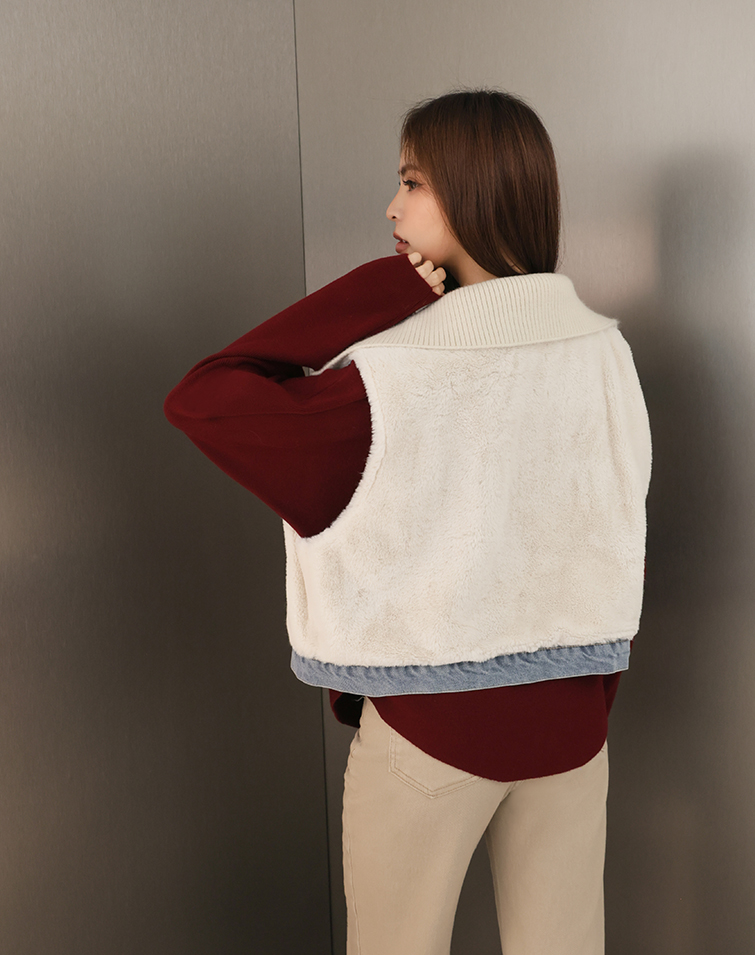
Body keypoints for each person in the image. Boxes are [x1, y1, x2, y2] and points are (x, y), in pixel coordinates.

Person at [164, 89, 651, 955]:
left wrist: (374, 293)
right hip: (574, 730)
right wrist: (581, 689)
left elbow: (204, 398)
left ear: (474, 189)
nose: (392, 207)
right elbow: (614, 532)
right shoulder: (605, 353)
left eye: (413, 182)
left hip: (431, 734)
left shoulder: (386, 379)